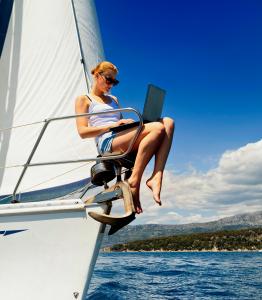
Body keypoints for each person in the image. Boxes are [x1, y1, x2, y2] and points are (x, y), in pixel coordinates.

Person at [75, 61, 174, 214]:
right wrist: (113, 126)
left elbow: (119, 124)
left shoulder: (114, 99)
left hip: (120, 135)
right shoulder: (84, 99)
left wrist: (127, 124)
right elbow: (82, 132)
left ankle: (156, 176)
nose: (111, 84)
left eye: (115, 82)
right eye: (109, 79)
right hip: (106, 141)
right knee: (158, 127)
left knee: (168, 122)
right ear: (97, 75)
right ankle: (134, 181)